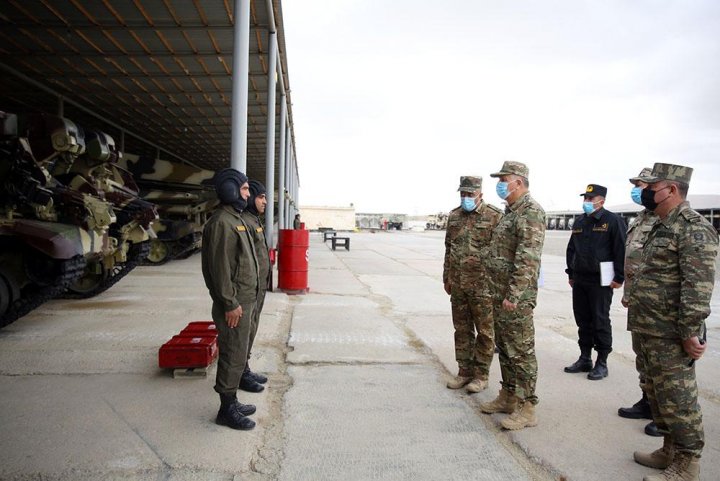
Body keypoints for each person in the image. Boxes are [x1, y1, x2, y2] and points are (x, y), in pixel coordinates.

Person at [628, 163, 717, 481]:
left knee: (679, 399)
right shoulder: (659, 224)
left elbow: (698, 286)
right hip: (648, 325)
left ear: (672, 190)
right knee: (656, 393)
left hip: (671, 333)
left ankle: (687, 463)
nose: (647, 192)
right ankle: (669, 449)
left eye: (653, 187)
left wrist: (691, 330)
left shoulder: (693, 228)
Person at [479, 161, 546, 431]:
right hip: (499, 293)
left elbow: (527, 257)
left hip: (515, 297)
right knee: (506, 349)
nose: (500, 184)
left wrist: (514, 294)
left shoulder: (531, 212)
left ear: (518, 182)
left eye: (504, 179)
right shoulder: (510, 212)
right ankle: (508, 396)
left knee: (521, 352)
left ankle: (528, 406)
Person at [201, 168, 260, 431]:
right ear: (230, 190)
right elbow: (220, 268)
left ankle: (232, 400)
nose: (248, 195)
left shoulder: (234, 218)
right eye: (245, 189)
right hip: (234, 303)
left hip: (244, 299)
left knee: (238, 352)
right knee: (232, 352)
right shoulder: (221, 223)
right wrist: (229, 303)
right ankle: (226, 410)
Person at [443, 176, 504, 393]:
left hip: (483, 288)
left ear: (480, 194)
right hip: (458, 284)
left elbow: (501, 253)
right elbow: (449, 249)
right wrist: (446, 277)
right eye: (463, 194)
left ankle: (481, 376)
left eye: (470, 194)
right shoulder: (454, 216)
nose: (466, 198)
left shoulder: (495, 216)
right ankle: (464, 371)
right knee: (462, 330)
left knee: (486, 333)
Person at [564, 184, 626, 380]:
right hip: (580, 279)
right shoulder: (580, 221)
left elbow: (621, 249)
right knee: (583, 320)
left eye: (591, 199)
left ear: (602, 201)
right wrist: (571, 273)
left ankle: (602, 362)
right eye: (586, 199)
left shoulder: (613, 221)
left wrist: (619, 276)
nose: (587, 202)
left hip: (602, 281)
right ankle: (585, 358)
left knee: (600, 320)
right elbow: (571, 249)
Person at [617, 168, 661, 437]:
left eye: (642, 185)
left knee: (659, 362)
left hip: (658, 304)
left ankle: (662, 412)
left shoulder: (665, 220)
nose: (637, 190)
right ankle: (647, 402)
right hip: (638, 300)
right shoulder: (641, 218)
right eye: (635, 185)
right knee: (643, 357)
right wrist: (627, 292)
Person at [238, 180, 271, 393]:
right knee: (244, 332)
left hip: (257, 288)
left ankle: (244, 368)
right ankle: (240, 373)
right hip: (248, 289)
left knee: (252, 329)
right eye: (261, 197)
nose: (265, 202)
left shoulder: (254, 221)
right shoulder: (245, 222)